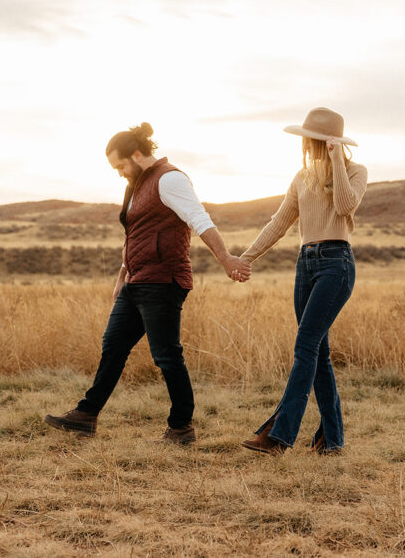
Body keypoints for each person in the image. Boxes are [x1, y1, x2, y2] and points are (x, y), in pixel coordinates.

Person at [44, 122, 251, 445]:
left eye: (120, 165)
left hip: (164, 281)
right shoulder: (137, 185)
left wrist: (226, 258)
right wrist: (121, 278)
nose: (119, 173)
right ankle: (86, 416)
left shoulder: (169, 179)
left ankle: (181, 427)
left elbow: (200, 219)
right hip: (136, 282)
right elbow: (136, 236)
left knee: (166, 355)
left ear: (138, 155)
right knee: (113, 347)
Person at [238, 108, 367, 455]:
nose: (307, 146)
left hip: (336, 264)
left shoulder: (356, 171)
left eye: (312, 140)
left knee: (306, 346)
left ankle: (279, 436)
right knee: (318, 352)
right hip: (306, 264)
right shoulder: (301, 177)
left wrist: (337, 158)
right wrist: (245, 258)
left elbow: (343, 206)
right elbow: (279, 223)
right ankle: (333, 439)